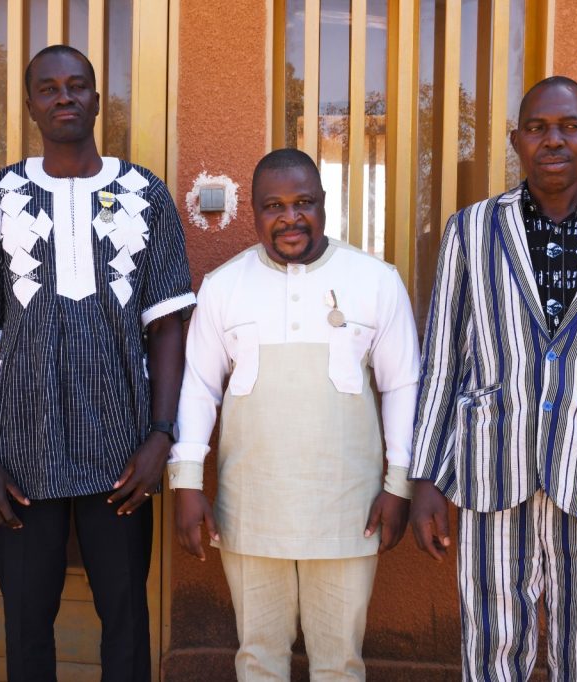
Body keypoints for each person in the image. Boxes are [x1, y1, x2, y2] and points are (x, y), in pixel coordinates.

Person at [408, 76, 577, 681]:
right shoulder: (472, 231)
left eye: (568, 126)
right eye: (537, 128)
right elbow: (442, 361)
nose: (552, 140)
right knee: (491, 651)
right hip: (493, 476)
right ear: (517, 141)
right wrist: (426, 475)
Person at [0, 45, 194, 681]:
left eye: (77, 85)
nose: (64, 97)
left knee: (126, 618)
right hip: (23, 455)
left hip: (122, 452)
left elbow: (167, 326)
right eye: (48, 89)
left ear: (98, 100)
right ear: (30, 106)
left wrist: (161, 436)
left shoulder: (145, 194)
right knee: (26, 623)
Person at [170, 149, 421, 681]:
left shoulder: (375, 280)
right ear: (254, 212)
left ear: (324, 204)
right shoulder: (223, 286)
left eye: (304, 202)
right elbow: (198, 388)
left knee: (341, 664)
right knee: (258, 658)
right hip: (251, 508)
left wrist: (398, 485)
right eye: (274, 206)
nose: (290, 218)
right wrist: (187, 483)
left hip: (349, 510)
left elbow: (402, 386)